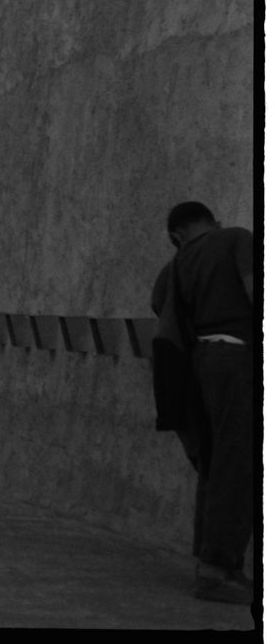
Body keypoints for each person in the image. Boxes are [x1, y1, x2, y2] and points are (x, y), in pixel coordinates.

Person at [150, 201, 256, 606]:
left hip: (198, 366)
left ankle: (213, 563)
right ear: (214, 219)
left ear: (178, 235)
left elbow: (160, 303)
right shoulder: (235, 239)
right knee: (238, 460)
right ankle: (216, 570)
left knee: (215, 463)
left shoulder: (174, 266)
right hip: (236, 359)